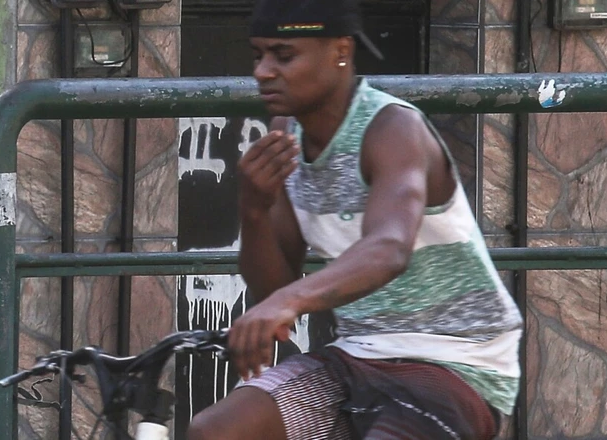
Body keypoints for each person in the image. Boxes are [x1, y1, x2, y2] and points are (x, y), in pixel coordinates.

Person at [188, 0, 524, 438]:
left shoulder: (392, 127)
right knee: (214, 431)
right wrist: (253, 209)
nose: (263, 71)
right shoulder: (286, 134)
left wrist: (287, 303)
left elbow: (389, 248)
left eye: (283, 55)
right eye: (258, 55)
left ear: (340, 51)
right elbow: (275, 286)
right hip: (356, 353)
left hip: (455, 360)